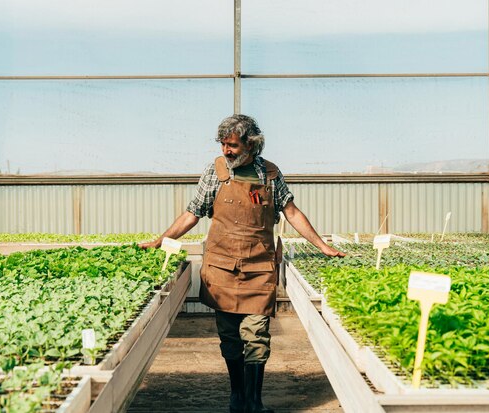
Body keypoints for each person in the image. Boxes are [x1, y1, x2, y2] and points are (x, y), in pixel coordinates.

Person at [141, 114, 345, 413]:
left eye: (233, 145)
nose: (227, 150)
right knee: (229, 336)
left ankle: (254, 401)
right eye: (223, 144)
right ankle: (237, 397)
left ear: (252, 144)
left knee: (257, 336)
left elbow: (291, 212)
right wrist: (162, 239)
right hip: (221, 266)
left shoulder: (270, 175)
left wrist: (322, 246)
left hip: (259, 268)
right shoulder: (215, 171)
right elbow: (192, 213)